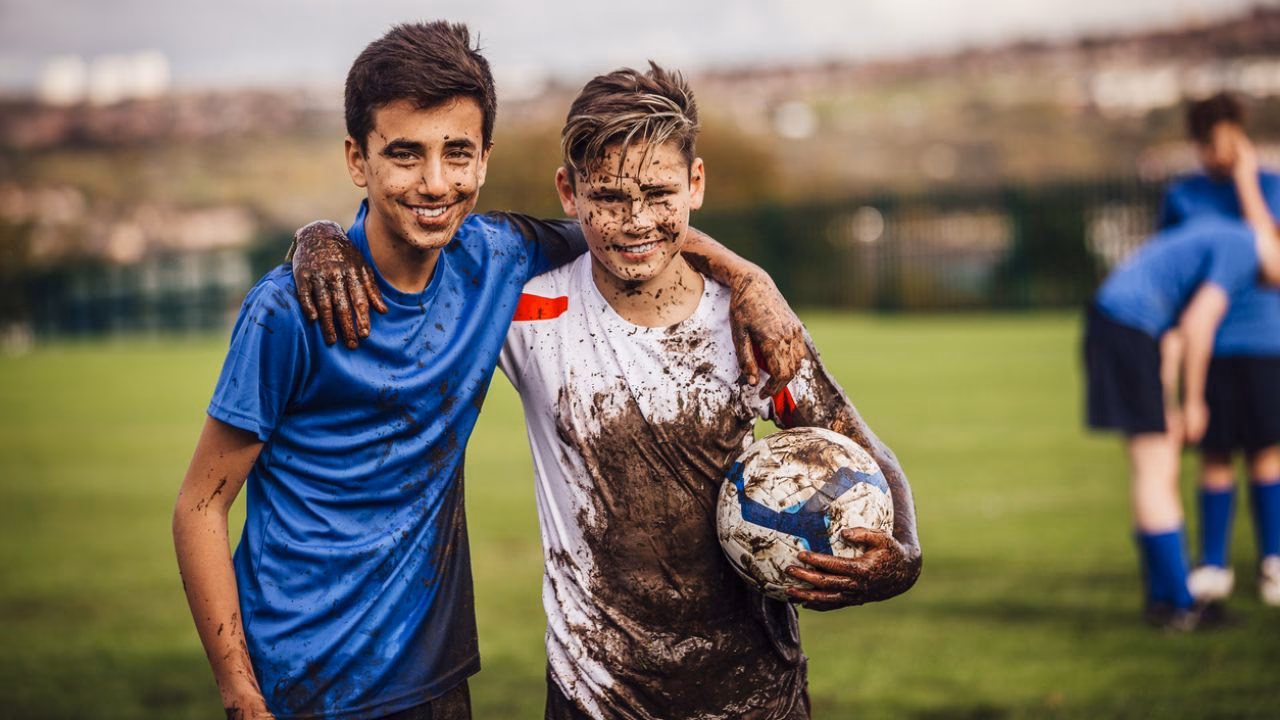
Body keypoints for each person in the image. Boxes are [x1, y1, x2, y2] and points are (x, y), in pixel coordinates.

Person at [173, 22, 806, 720]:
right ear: (358, 159)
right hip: (296, 681)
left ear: (486, 158)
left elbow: (636, 228)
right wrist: (239, 692)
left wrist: (749, 277)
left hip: (435, 677)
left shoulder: (497, 258)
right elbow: (200, 506)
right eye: (405, 155)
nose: (435, 181)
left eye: (458, 153)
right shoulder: (289, 309)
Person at [497, 64, 921, 719]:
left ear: (696, 183)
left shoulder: (748, 322)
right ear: (568, 191)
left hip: (759, 695)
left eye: (660, 193)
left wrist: (904, 558)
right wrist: (321, 242)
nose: (636, 221)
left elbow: (860, 445)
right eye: (608, 197)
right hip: (595, 698)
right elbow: (410, 259)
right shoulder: (527, 313)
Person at [1085, 168, 1280, 629]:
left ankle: (1166, 598)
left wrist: (1170, 402)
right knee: (1155, 467)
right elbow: (1196, 324)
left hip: (1121, 329)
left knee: (1157, 464)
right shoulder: (1243, 246)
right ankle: (1178, 605)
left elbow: (1170, 331)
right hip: (1123, 333)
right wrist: (1193, 401)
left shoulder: (1221, 238)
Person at [1159, 92, 1280, 607]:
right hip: (1206, 345)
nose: (1216, 152)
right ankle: (1213, 564)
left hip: (1265, 340)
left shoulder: (1271, 186)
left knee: (1267, 454)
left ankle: (1273, 561)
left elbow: (1274, 267)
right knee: (1213, 452)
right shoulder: (1182, 196)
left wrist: (1249, 183)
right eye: (1205, 143)